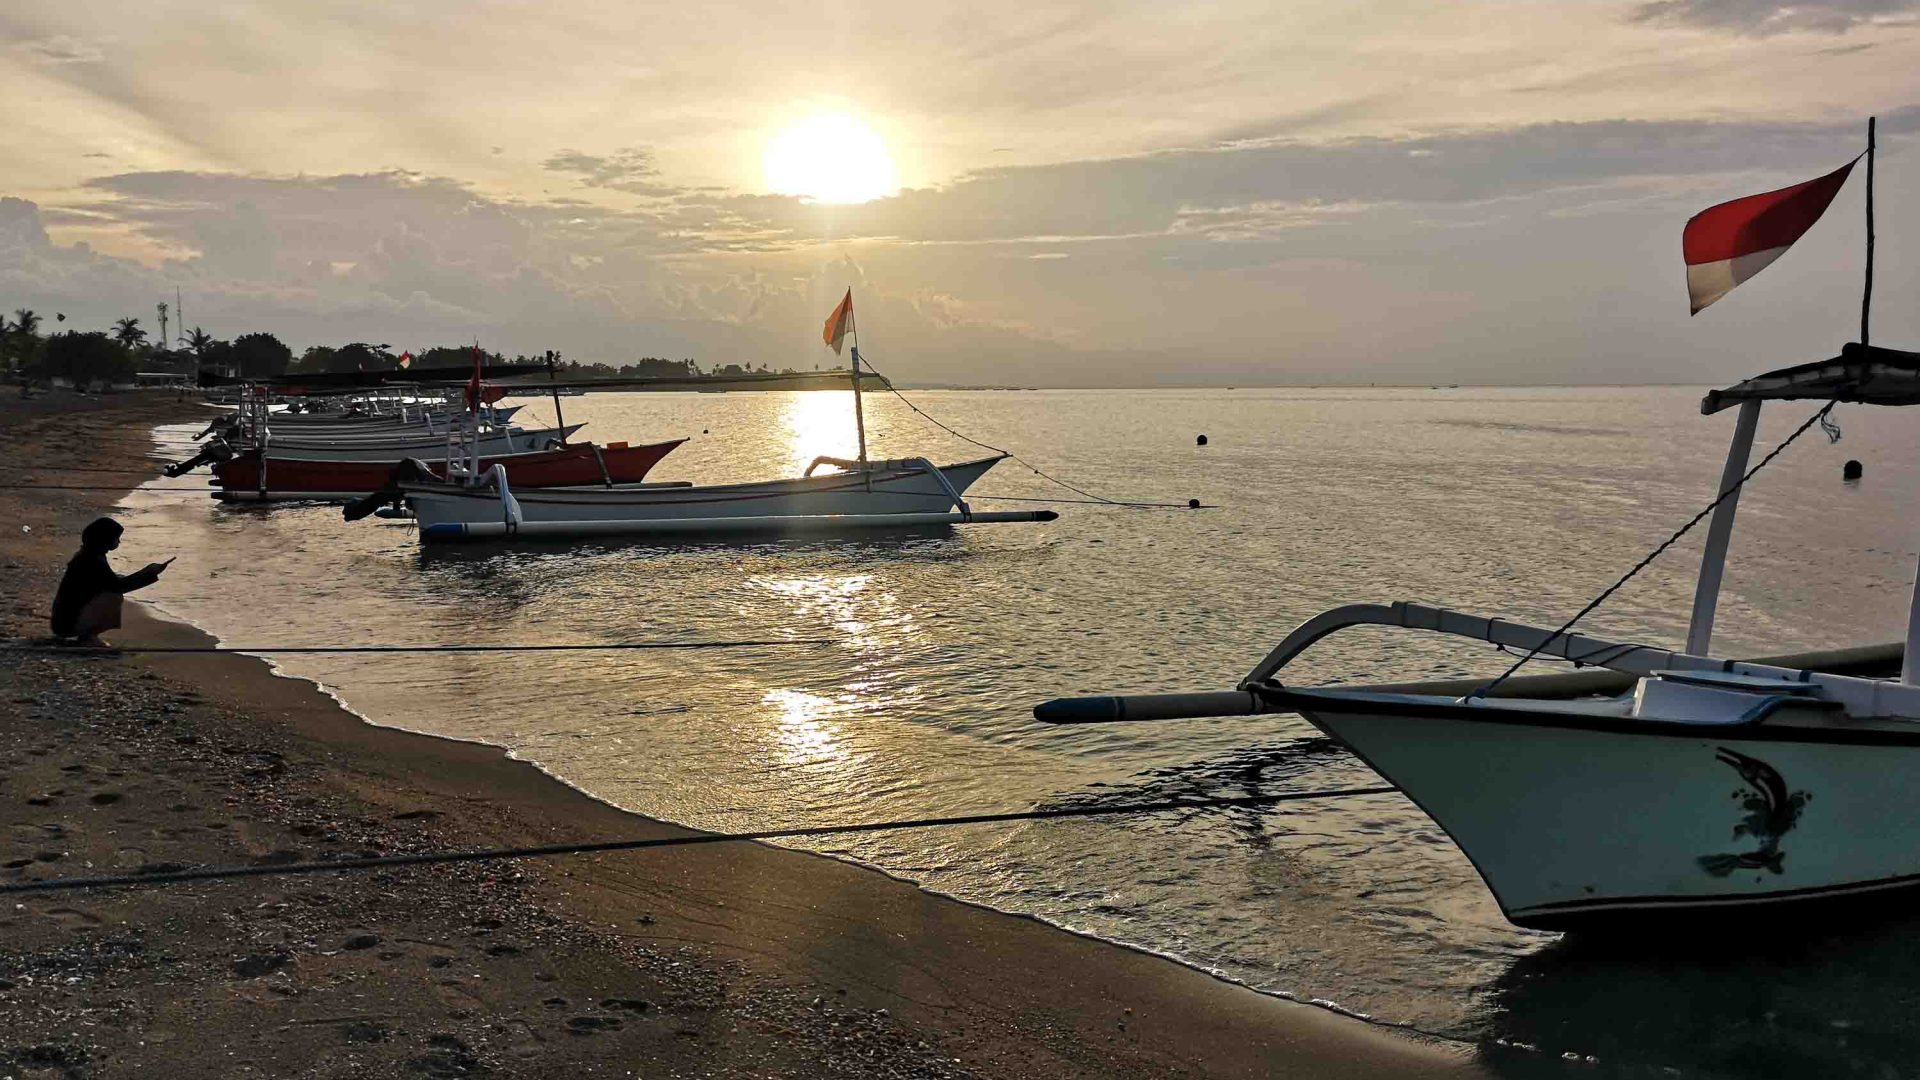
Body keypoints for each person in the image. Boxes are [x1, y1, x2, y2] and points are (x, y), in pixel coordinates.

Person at [50, 518, 171, 645]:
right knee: (113, 596)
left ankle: (86, 634)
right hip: (67, 623)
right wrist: (149, 572)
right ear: (105, 539)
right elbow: (118, 586)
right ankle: (88, 635)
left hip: (62, 620)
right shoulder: (92, 560)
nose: (118, 541)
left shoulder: (88, 554)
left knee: (111, 592)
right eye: (116, 538)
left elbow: (110, 581)